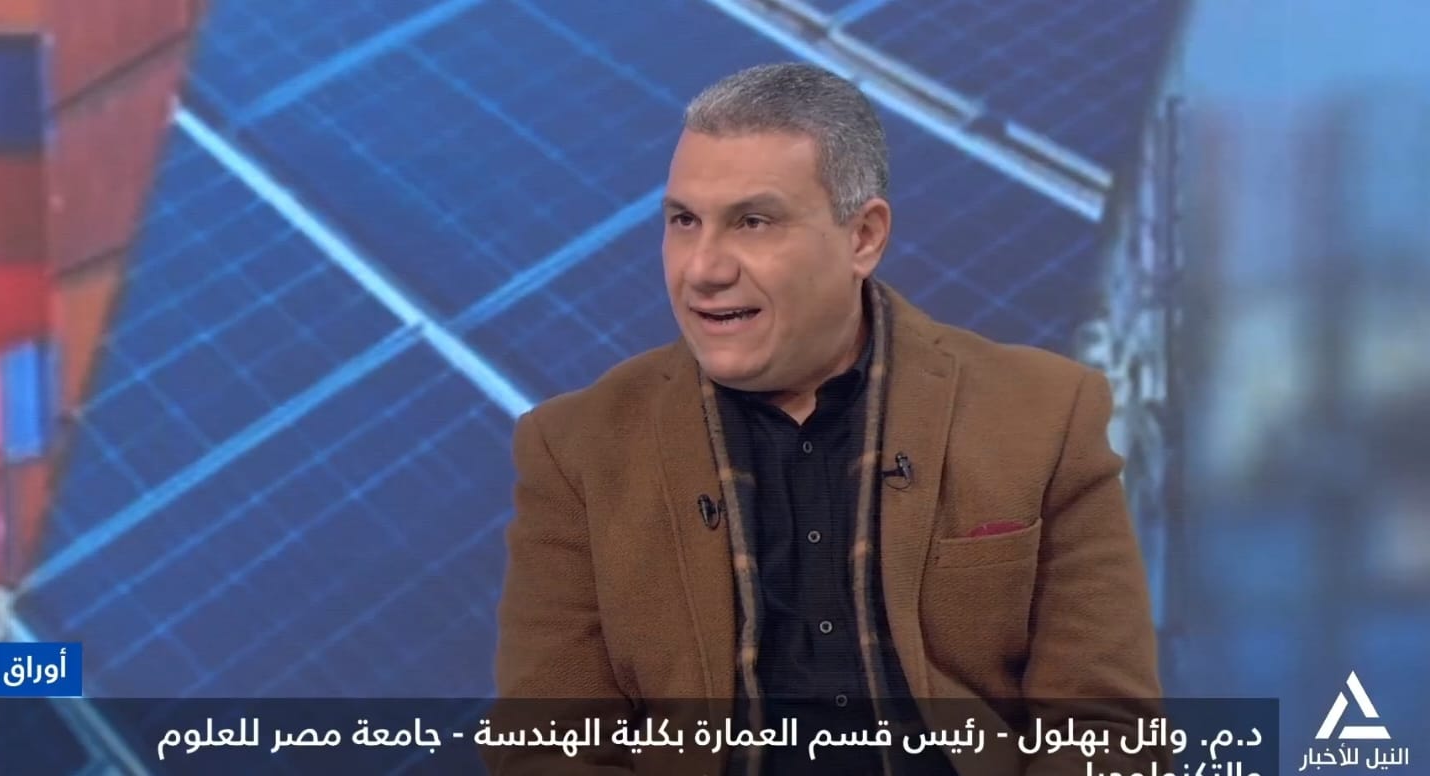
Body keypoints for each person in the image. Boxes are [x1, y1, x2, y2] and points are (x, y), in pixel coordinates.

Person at [489, 62, 1162, 776]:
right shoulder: (576, 450)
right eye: (684, 221)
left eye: (753, 222)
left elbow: (1108, 733)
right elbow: (547, 749)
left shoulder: (1044, 414)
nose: (703, 269)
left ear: (863, 237)